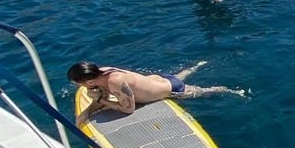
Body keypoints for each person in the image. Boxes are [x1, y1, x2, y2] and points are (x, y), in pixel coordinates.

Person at [68, 61, 245, 124]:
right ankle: (197, 65)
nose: (79, 87)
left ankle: (231, 91)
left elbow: (128, 109)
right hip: (158, 79)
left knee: (206, 91)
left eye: (79, 84)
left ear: (89, 81)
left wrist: (100, 100)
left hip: (173, 90)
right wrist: (87, 112)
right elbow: (102, 98)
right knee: (177, 76)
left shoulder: (115, 82)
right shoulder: (103, 71)